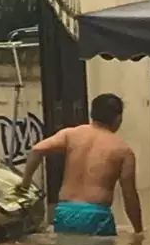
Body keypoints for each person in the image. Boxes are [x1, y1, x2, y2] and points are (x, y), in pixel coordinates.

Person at [16, 93, 143, 236]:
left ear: (92, 114)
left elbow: (37, 150)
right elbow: (129, 195)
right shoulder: (123, 150)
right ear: (118, 118)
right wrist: (139, 232)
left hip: (65, 212)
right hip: (96, 215)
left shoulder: (70, 134)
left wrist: (25, 183)